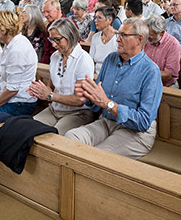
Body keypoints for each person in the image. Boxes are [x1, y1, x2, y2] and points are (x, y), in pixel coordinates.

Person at [66, 18, 163, 159]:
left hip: (136, 132)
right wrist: (88, 95)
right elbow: (97, 103)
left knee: (98, 155)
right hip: (107, 122)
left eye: (123, 35)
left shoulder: (150, 71)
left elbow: (144, 121)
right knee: (70, 137)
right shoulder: (111, 59)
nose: (117, 39)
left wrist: (108, 104)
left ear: (139, 39)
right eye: (118, 34)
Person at [29, 18, 95, 135]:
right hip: (54, 109)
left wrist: (50, 96)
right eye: (51, 39)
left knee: (53, 136)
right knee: (28, 129)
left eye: (57, 39)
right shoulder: (55, 56)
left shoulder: (83, 60)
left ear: (70, 36)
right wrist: (39, 91)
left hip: (77, 113)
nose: (53, 44)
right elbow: (51, 87)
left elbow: (79, 100)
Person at [143, 14, 181, 88]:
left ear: (162, 33)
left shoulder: (173, 44)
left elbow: (168, 75)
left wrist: (146, 73)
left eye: (151, 36)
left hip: (165, 84)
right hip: (145, 81)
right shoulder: (145, 39)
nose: (147, 38)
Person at [89, 6, 118, 75]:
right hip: (96, 75)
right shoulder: (95, 37)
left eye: (99, 18)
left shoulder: (118, 38)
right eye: (95, 18)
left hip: (112, 75)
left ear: (109, 20)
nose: (95, 20)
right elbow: (91, 61)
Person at [40, 0, 62, 64]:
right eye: (44, 12)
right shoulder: (50, 25)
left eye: (48, 12)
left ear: (58, 9)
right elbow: (46, 49)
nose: (45, 15)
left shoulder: (68, 25)